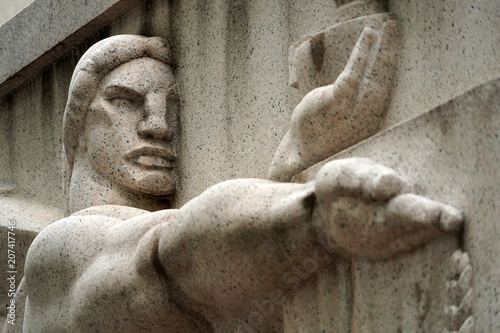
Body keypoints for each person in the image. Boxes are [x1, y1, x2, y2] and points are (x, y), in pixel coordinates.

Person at [7, 35, 462, 333]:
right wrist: (315, 216)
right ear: (78, 129)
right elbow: (169, 259)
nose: (158, 127)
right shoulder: (57, 253)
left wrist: (298, 157)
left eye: (173, 108)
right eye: (125, 103)